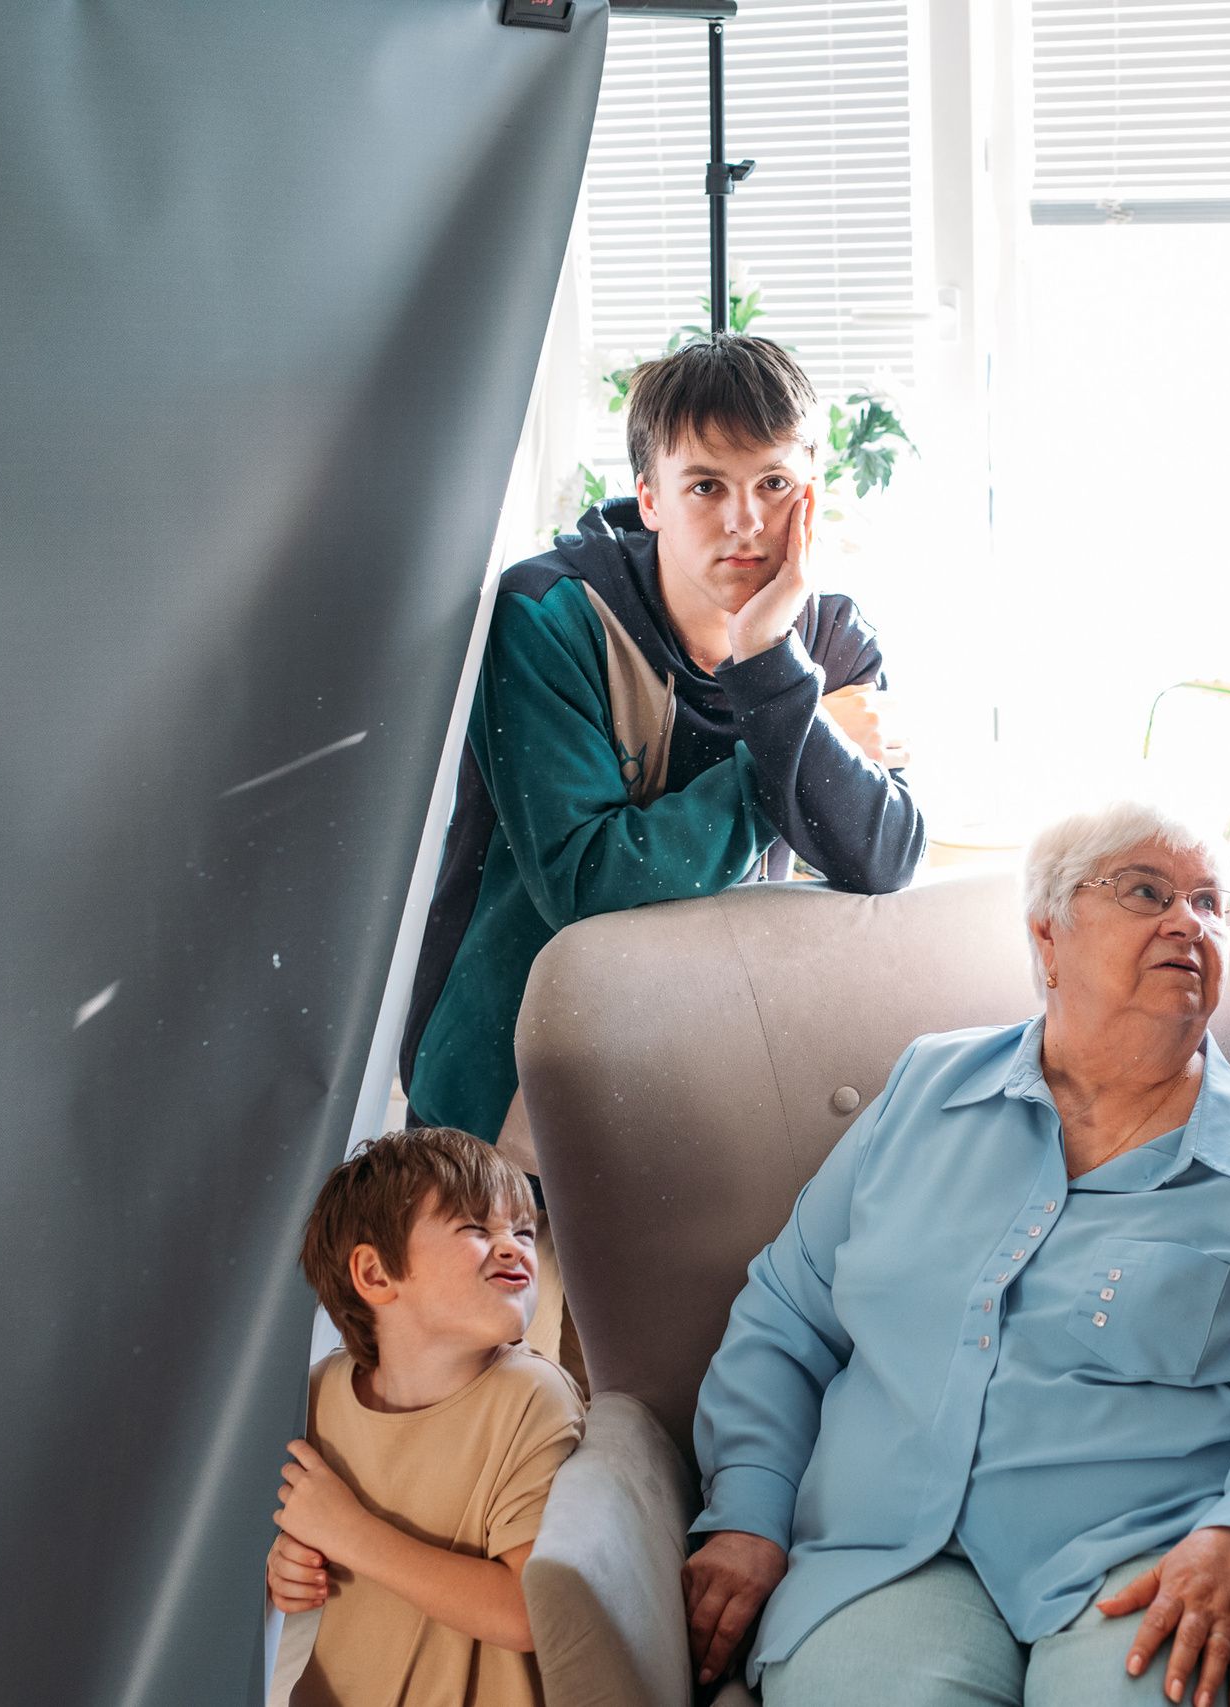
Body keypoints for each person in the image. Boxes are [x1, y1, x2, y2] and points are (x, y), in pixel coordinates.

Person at [680, 802, 1230, 1707]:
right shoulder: (924, 1092)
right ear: (1048, 936)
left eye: (1213, 904)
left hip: (1160, 1560)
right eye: (1146, 890)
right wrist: (748, 1514)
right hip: (885, 1560)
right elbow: (787, 1317)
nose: (1190, 921)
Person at [399, 334, 925, 1148]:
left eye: (775, 483)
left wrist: (771, 658)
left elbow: (884, 858)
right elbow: (588, 885)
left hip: (715, 1068)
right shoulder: (547, 615)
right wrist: (788, 741)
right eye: (706, 486)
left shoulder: (830, 635)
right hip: (513, 1085)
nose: (745, 521)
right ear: (649, 498)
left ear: (811, 493)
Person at [263, 1128, 584, 1707]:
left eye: (523, 1230)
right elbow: (292, 1536)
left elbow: (530, 1612)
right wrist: (285, 1564)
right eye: (474, 1228)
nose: (513, 1246)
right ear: (376, 1276)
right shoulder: (317, 1396)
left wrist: (352, 1534)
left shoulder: (534, 1400)